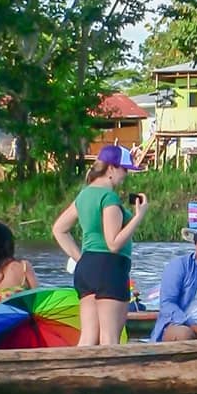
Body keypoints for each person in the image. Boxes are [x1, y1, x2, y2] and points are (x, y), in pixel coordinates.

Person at [53, 145, 147, 346]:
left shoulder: (84, 195)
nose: (126, 174)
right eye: (124, 169)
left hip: (87, 268)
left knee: (87, 338)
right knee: (109, 339)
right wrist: (138, 217)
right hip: (111, 267)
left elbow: (59, 230)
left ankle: (78, 376)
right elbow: (113, 243)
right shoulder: (109, 197)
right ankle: (109, 378)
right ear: (111, 168)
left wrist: (81, 259)